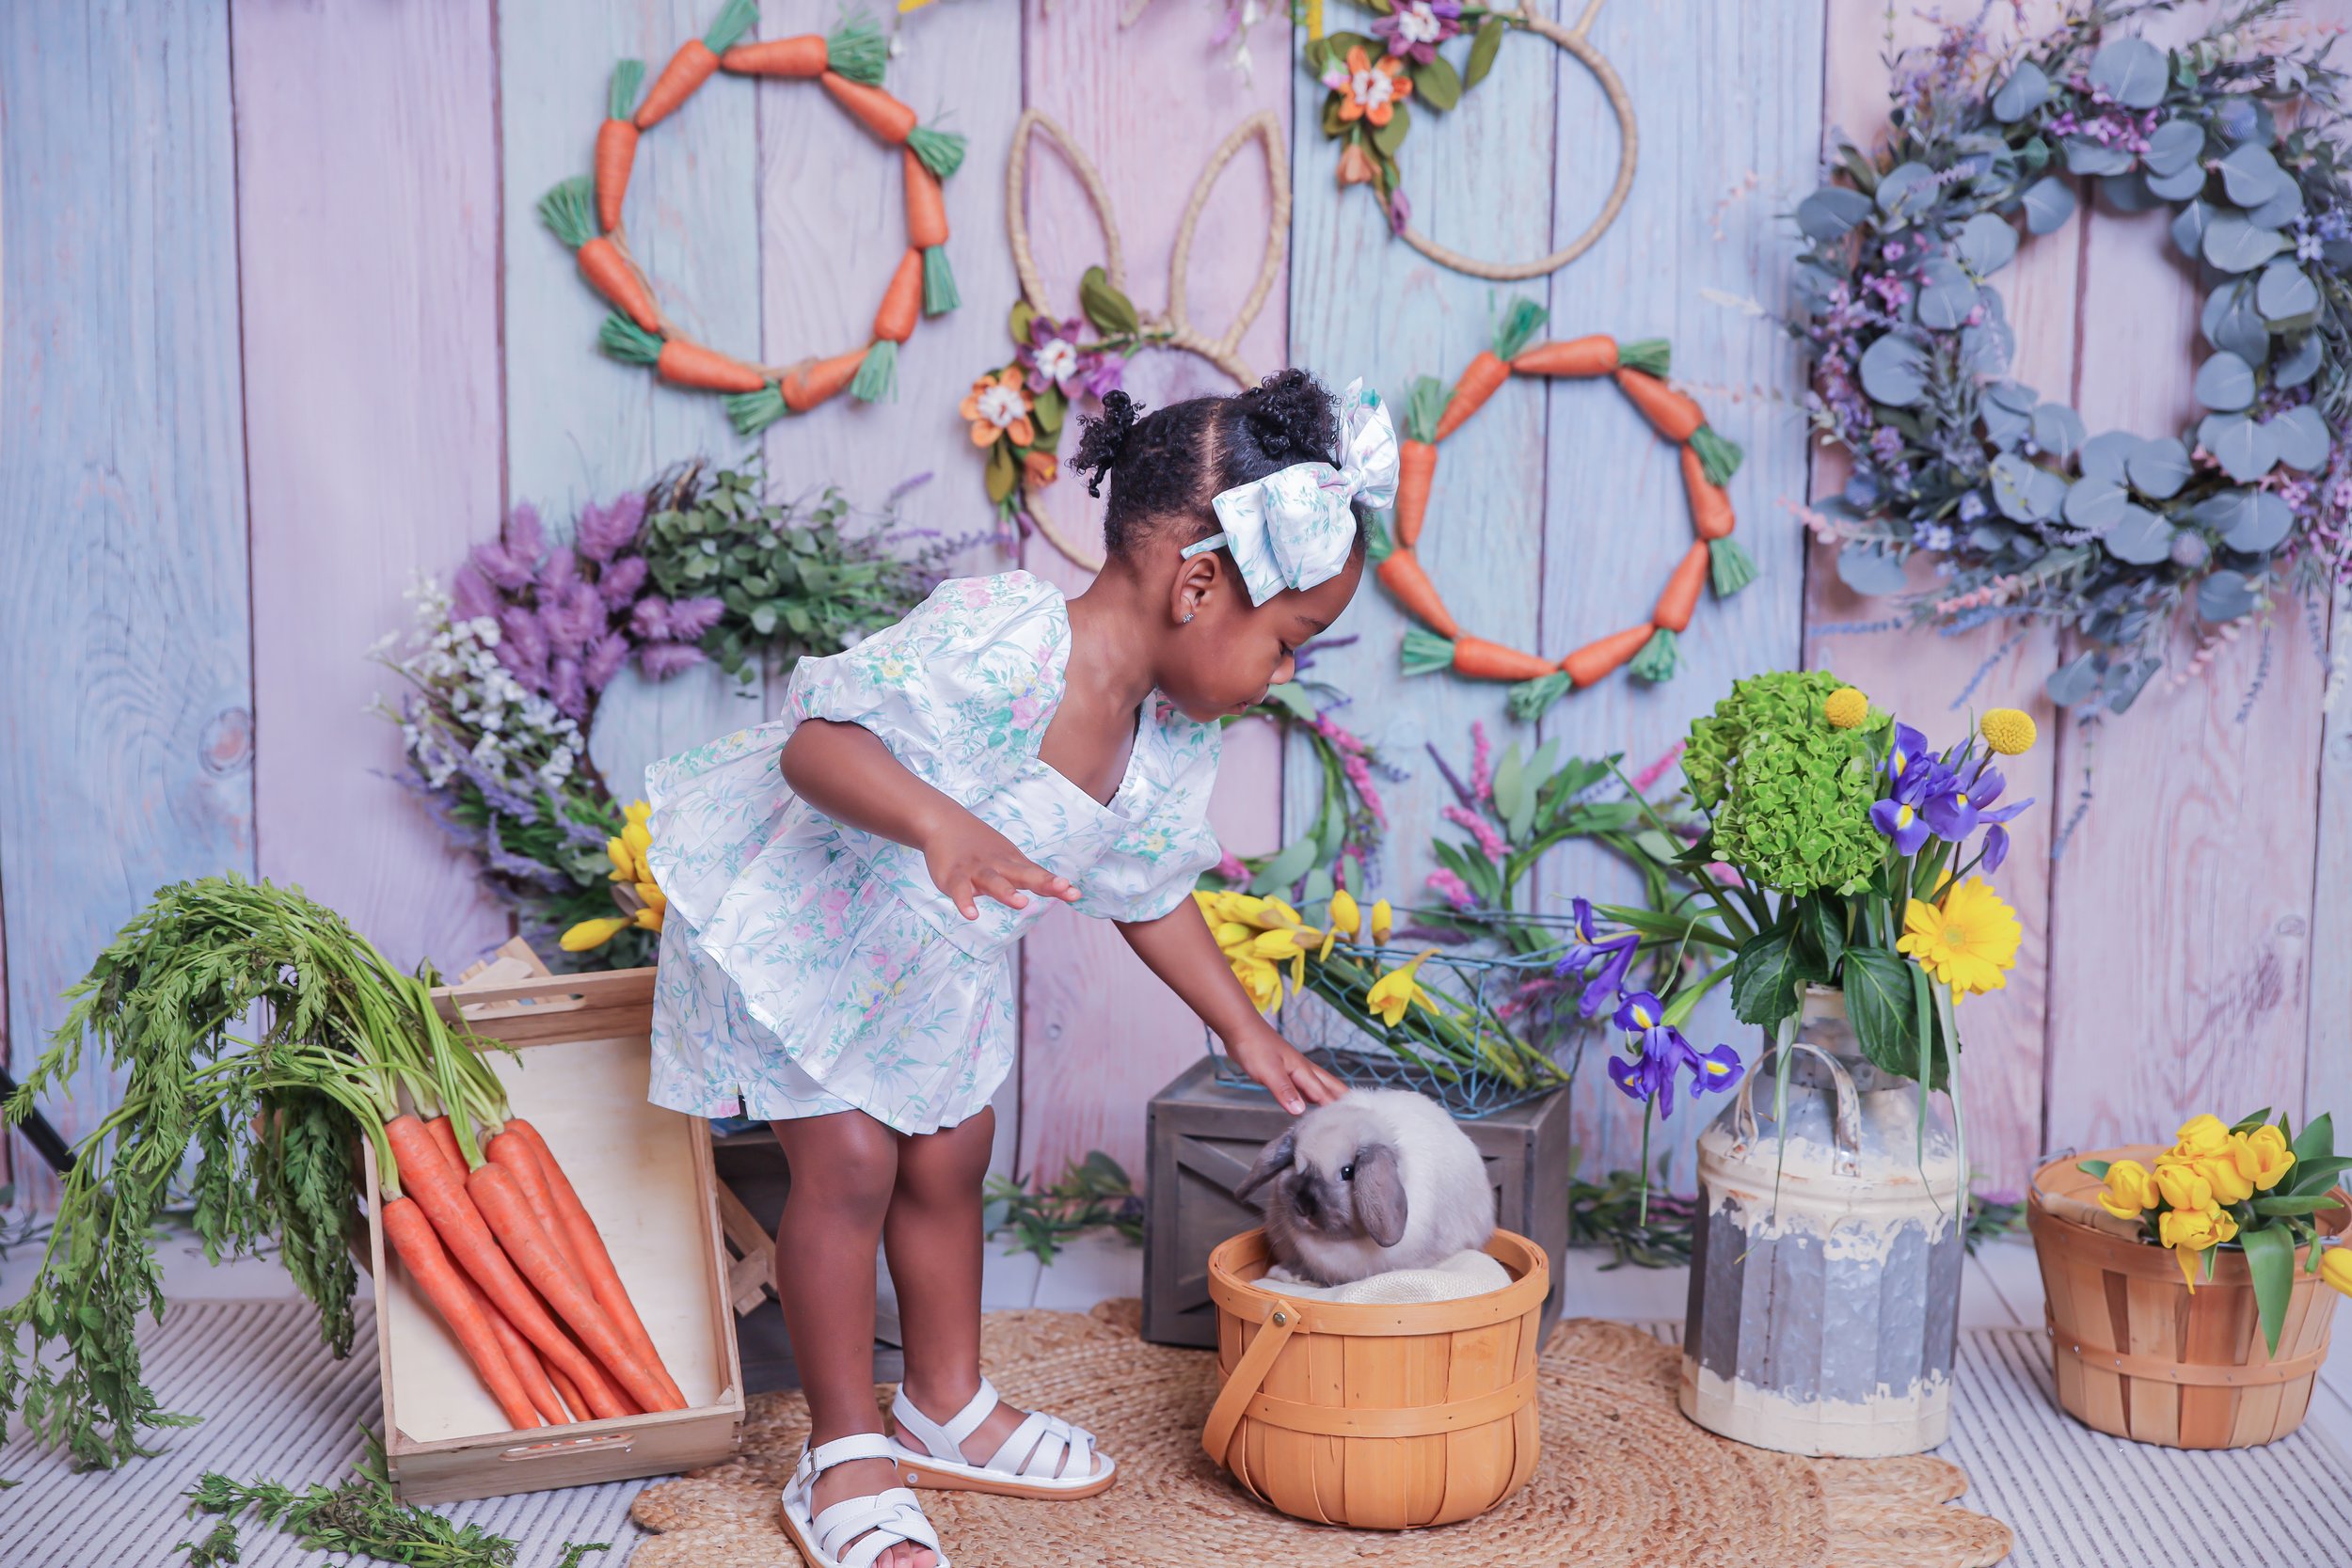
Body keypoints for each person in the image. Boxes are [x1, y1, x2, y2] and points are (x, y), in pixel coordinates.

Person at [644, 370, 1395, 1568]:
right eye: (1289, 640)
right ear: (1199, 582)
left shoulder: (1165, 735)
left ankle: (943, 1399)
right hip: (813, 922)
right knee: (846, 1164)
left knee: (949, 1152)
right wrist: (940, 821)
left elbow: (1147, 891)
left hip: (931, 962)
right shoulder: (1004, 641)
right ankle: (843, 1445)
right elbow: (818, 744)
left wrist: (1245, 1030)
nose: (1285, 673)